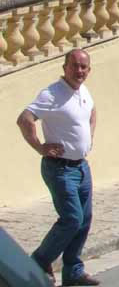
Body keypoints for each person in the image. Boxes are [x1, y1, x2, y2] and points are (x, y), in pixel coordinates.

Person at [15, 49, 100, 286]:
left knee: (84, 219)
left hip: (81, 167)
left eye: (84, 67)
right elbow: (25, 119)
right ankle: (40, 260)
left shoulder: (83, 91)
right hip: (60, 169)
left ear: (88, 70)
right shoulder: (52, 94)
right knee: (72, 218)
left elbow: (92, 111)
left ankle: (73, 271)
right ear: (65, 68)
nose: (79, 71)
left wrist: (90, 135)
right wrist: (40, 147)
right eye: (75, 65)